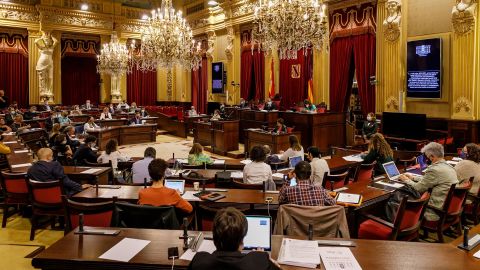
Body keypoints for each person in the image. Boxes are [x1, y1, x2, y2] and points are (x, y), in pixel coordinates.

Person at [188, 207, 280, 270]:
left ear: (214, 237)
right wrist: (269, 262)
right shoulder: (260, 261)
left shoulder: (199, 261)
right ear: (242, 240)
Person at [399, 142, 459, 222]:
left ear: (432, 157)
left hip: (433, 211)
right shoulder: (450, 167)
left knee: (400, 198)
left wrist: (406, 180)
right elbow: (430, 180)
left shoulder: (434, 170)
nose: (427, 160)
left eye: (427, 157)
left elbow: (418, 188)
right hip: (445, 208)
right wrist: (413, 178)